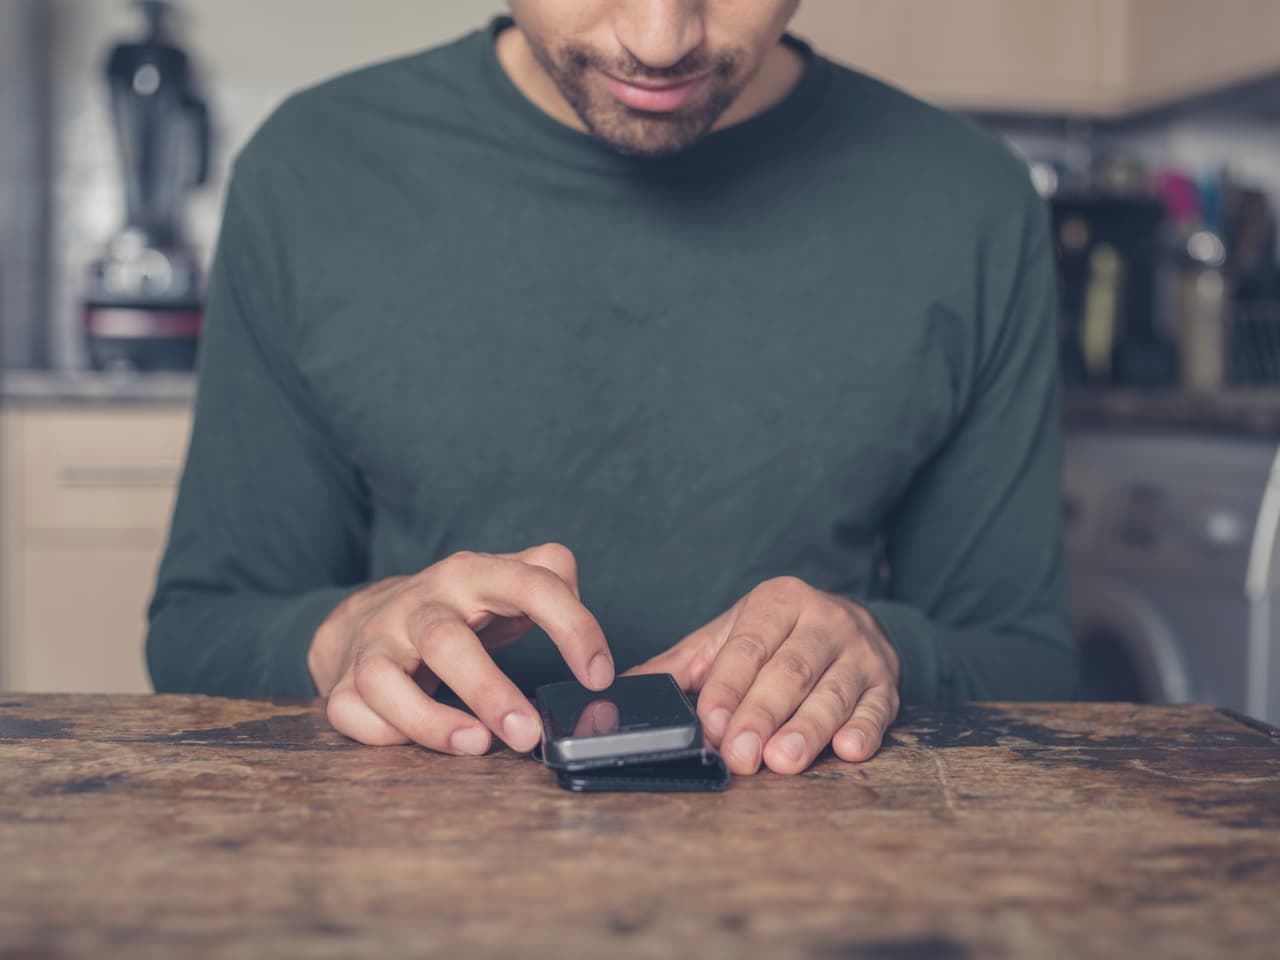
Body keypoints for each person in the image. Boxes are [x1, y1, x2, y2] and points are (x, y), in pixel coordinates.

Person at [146, 0, 1077, 777]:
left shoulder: (971, 206)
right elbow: (200, 631)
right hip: (421, 886)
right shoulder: (313, 172)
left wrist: (883, 649)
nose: (660, 39)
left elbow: (1029, 664)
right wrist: (344, 631)